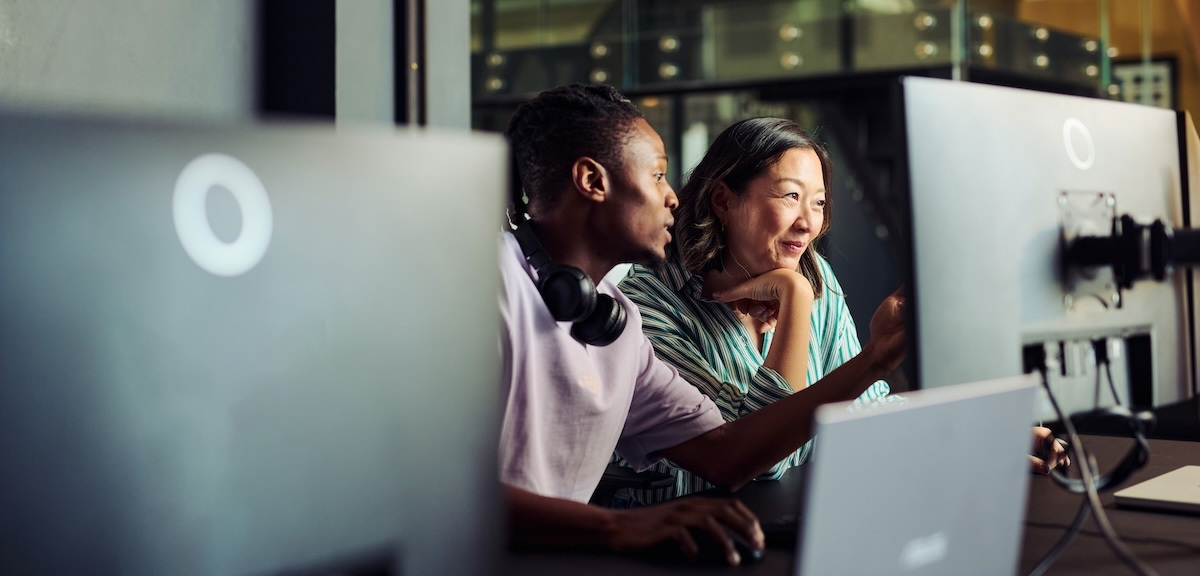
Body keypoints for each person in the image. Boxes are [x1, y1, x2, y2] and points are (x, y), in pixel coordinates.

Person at [498, 83, 907, 565]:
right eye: (657, 176)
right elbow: (426, 483)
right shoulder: (490, 286)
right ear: (593, 180)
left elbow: (726, 452)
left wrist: (876, 360)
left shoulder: (613, 320)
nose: (672, 197)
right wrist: (617, 524)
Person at [612, 117, 1068, 502]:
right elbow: (763, 460)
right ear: (724, 201)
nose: (809, 223)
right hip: (684, 548)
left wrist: (980, 435)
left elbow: (861, 415)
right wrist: (794, 301)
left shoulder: (816, 277)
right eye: (790, 196)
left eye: (819, 203)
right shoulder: (649, 306)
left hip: (788, 524)